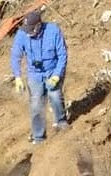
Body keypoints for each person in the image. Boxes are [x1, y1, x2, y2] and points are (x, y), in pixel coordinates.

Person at [10, 10, 70, 144]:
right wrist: (17, 76)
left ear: (38, 25)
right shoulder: (22, 34)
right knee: (36, 104)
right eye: (26, 30)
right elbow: (15, 56)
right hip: (34, 74)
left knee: (55, 96)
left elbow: (62, 55)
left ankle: (61, 121)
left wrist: (57, 75)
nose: (28, 32)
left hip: (52, 69)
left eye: (31, 29)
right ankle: (39, 137)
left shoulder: (53, 31)